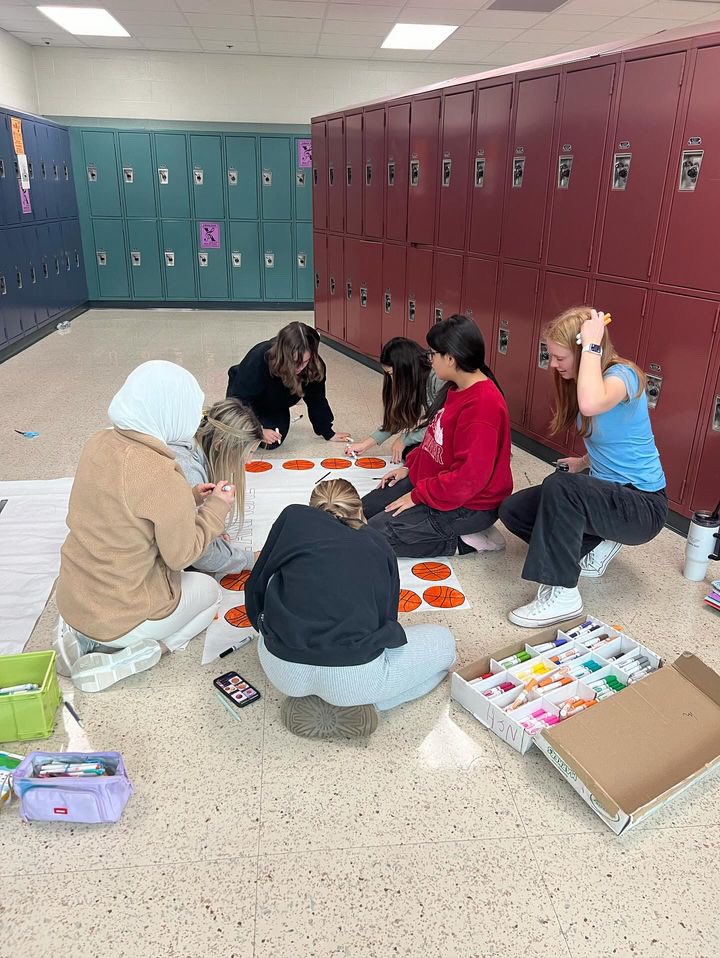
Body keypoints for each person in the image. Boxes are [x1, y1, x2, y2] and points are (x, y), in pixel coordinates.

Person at [53, 361, 236, 693]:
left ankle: (82, 640)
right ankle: (148, 651)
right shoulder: (158, 470)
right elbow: (181, 555)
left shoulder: (98, 442)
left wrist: (189, 498)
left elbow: (126, 507)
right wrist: (216, 508)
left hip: (73, 599)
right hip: (124, 614)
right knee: (209, 592)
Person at [245, 478, 456, 739]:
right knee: (445, 646)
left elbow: (256, 584)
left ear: (312, 509)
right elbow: (387, 620)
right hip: (354, 677)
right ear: (359, 510)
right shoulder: (377, 544)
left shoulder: (291, 523)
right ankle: (372, 703)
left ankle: (332, 698)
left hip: (281, 669)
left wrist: (265, 626)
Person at [499, 307, 667, 628]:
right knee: (514, 510)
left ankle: (564, 594)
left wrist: (592, 343)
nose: (553, 365)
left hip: (642, 504)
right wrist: (583, 462)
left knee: (560, 488)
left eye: (560, 357)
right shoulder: (584, 383)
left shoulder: (623, 377)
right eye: (551, 357)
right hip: (607, 492)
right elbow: (615, 439)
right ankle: (595, 542)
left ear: (583, 351)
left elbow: (592, 404)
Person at [361, 315, 512, 558]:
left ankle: (467, 541)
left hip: (469, 505)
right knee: (362, 511)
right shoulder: (455, 387)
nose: (429, 361)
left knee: (374, 537)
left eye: (433, 354)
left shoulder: (483, 405)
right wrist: (411, 468)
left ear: (450, 359)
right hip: (436, 482)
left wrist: (416, 495)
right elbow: (435, 441)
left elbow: (468, 479)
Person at [169, 398, 263, 576]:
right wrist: (251, 559)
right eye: (248, 453)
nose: (249, 461)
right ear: (221, 446)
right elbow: (198, 553)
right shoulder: (189, 471)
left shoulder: (195, 448)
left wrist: (210, 528)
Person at [226, 321, 350, 449]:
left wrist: (327, 432)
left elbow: (317, 400)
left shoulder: (313, 367)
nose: (299, 368)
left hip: (275, 403)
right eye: (295, 362)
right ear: (283, 354)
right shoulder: (259, 357)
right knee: (238, 437)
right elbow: (240, 399)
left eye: (305, 361)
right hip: (246, 399)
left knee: (272, 442)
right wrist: (257, 430)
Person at [345, 337, 444, 464]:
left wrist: (405, 438)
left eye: (392, 374)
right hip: (438, 435)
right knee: (409, 452)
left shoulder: (437, 378)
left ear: (406, 368)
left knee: (415, 454)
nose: (392, 380)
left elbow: (442, 425)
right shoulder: (415, 380)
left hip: (451, 439)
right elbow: (396, 420)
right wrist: (365, 444)